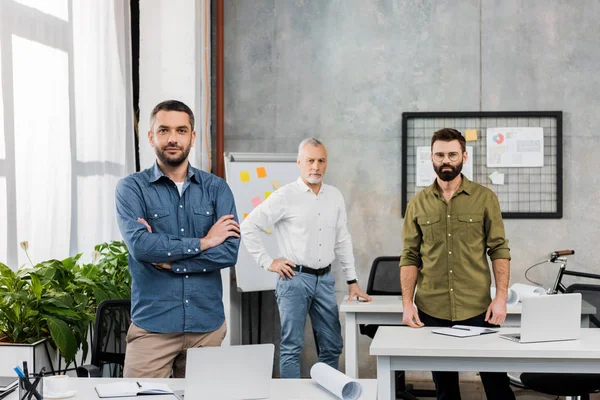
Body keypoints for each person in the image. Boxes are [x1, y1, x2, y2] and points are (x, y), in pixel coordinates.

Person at [115, 100, 240, 378]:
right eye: (164, 130)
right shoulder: (131, 188)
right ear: (151, 137)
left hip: (206, 328)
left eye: (181, 130)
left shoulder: (217, 188)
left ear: (192, 137)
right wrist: (205, 242)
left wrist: (171, 263)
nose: (173, 138)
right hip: (153, 329)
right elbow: (141, 246)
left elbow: (229, 252)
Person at [240, 138, 371, 378]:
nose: (316, 166)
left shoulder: (334, 196)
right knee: (292, 347)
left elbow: (343, 239)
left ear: (326, 163)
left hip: (324, 280)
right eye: (310, 160)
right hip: (294, 280)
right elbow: (248, 226)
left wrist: (352, 282)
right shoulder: (285, 196)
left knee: (332, 345)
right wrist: (269, 262)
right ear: (299, 162)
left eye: (321, 161)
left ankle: (328, 391)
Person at [400, 128, 515, 400]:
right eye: (440, 155)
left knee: (497, 387)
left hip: (478, 308)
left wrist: (500, 298)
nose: (446, 160)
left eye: (452, 154)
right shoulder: (417, 204)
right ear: (431, 158)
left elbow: (499, 249)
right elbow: (410, 256)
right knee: (445, 392)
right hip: (433, 309)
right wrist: (407, 304)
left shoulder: (485, 198)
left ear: (464, 156)